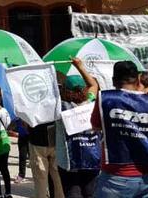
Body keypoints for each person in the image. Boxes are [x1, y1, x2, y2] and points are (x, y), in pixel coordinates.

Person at [91, 61, 148, 198]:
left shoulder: (104, 99)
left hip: (114, 177)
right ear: (138, 79)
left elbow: (96, 126)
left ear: (113, 80)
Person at [55, 58, 101, 198]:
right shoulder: (92, 103)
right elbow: (94, 84)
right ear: (84, 90)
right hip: (91, 159)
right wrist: (80, 66)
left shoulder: (59, 108)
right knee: (91, 194)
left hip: (69, 164)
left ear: (66, 91)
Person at [28, 120, 64, 198]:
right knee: (58, 177)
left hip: (37, 139)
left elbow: (25, 121)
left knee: (40, 179)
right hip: (55, 137)